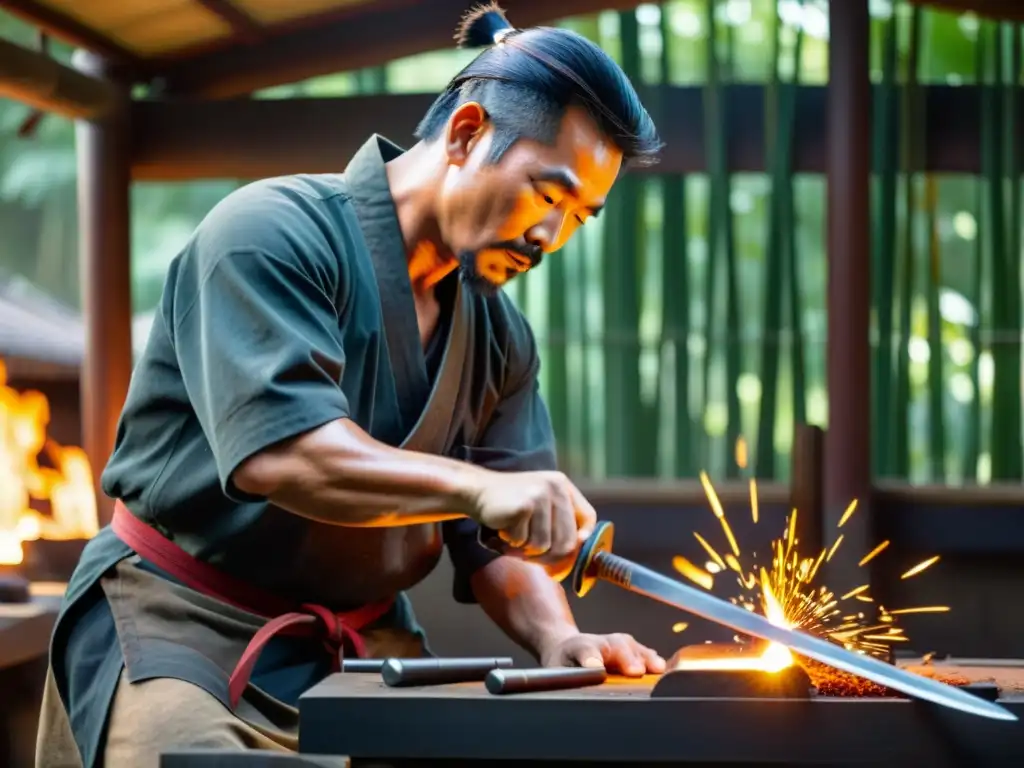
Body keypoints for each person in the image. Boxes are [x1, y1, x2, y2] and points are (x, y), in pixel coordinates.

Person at [36, 3, 666, 766]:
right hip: (183, 629)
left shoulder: (500, 336)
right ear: (467, 133)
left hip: (367, 651)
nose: (550, 236)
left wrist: (557, 635)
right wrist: (474, 488)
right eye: (546, 193)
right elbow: (285, 456)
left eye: (577, 217)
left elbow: (503, 539)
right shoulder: (268, 233)